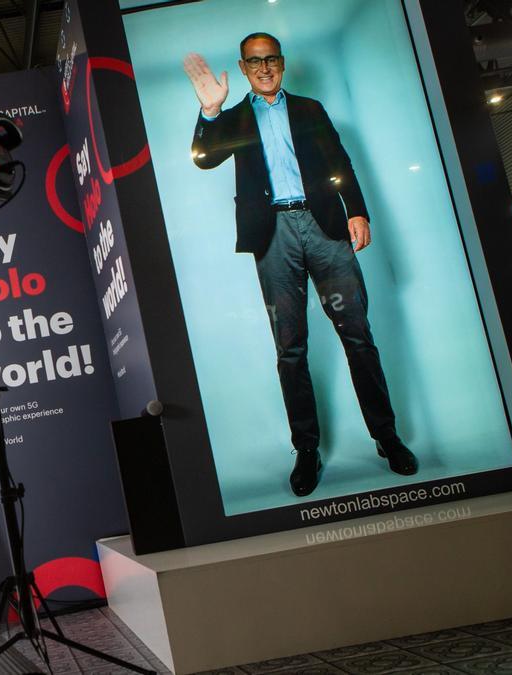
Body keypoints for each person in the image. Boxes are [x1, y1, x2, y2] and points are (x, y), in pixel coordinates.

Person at [183, 32, 417, 497]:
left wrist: (356, 209)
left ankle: (386, 437)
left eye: (271, 59)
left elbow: (339, 161)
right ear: (243, 68)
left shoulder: (310, 109)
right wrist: (210, 111)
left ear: (282, 64)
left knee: (358, 336)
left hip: (325, 227)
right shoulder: (233, 118)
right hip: (273, 236)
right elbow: (205, 160)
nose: (264, 67)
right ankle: (306, 449)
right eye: (255, 61)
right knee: (290, 349)